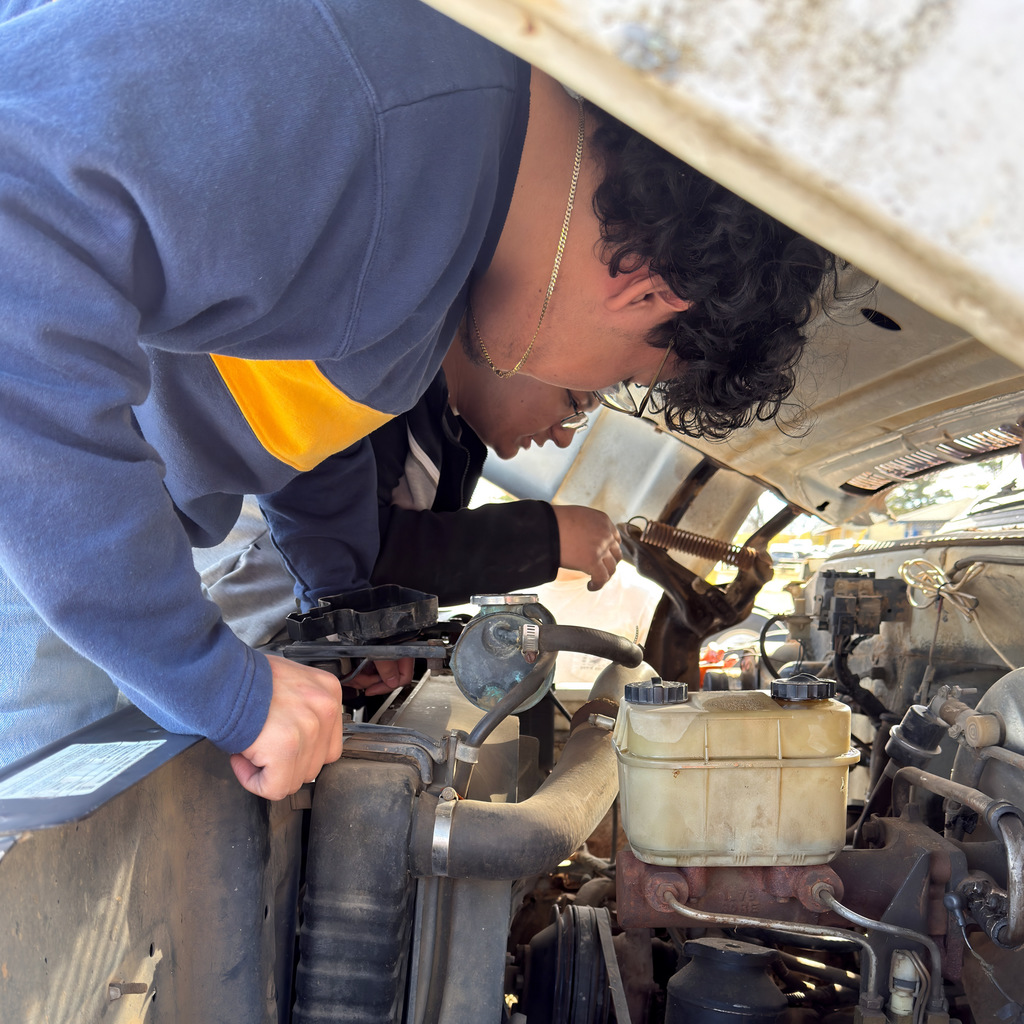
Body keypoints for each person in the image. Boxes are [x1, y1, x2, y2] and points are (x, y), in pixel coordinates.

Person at [0, 0, 834, 796]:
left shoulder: (456, 244)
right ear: (649, 292)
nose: (586, 397)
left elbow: (307, 436)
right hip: (32, 536)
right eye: (617, 379)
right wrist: (203, 675)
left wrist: (344, 602)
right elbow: (19, 220)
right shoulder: (372, 101)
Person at [201, 341, 622, 653]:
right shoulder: (392, 381)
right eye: (574, 403)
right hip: (225, 638)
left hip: (283, 663)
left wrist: (392, 639)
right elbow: (360, 554)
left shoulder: (457, 448)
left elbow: (389, 582)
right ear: (530, 336)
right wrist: (546, 536)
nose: (565, 436)